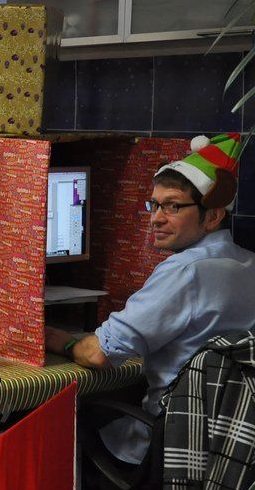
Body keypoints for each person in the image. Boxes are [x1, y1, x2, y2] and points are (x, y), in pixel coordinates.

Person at [45, 132, 255, 466]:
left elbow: (100, 354)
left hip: (170, 442)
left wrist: (51, 337)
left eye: (173, 206)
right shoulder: (248, 263)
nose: (156, 217)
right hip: (228, 447)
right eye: (154, 205)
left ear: (213, 215)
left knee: (51, 434)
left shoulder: (186, 271)